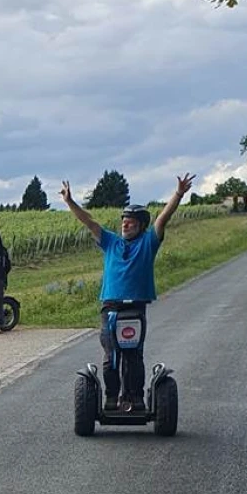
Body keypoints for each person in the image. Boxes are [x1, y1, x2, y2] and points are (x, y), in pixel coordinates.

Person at [59, 173, 195, 409]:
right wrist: (70, 202)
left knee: (133, 355)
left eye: (131, 221)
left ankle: (135, 398)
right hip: (110, 306)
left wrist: (179, 194)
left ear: (141, 226)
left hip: (135, 306)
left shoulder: (148, 242)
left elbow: (163, 218)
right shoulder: (111, 241)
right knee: (111, 355)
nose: (125, 223)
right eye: (124, 220)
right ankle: (112, 398)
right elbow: (89, 222)